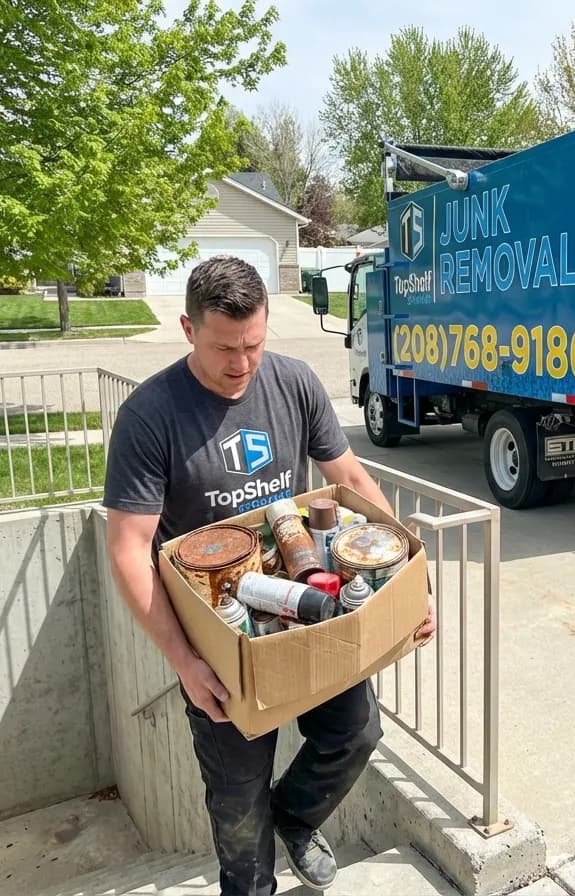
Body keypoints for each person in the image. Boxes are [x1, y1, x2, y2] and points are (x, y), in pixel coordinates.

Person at [103, 255, 435, 896]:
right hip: (220, 633)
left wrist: (408, 585)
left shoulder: (294, 382)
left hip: (307, 602)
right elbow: (129, 549)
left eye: (253, 344)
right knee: (238, 802)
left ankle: (298, 814)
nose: (241, 363)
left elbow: (353, 480)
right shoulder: (151, 415)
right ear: (187, 328)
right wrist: (183, 660)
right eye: (225, 347)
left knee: (356, 730)